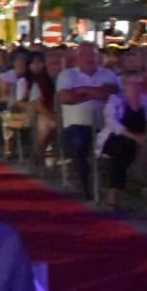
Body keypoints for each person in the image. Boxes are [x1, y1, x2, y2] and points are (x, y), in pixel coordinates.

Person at [54, 42, 119, 198]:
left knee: (120, 147)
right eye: (84, 54)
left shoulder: (108, 74)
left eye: (92, 54)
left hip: (106, 125)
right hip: (76, 124)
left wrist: (82, 91)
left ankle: (113, 189)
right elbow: (66, 97)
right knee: (79, 143)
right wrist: (96, 92)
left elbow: (110, 94)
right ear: (78, 57)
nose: (89, 58)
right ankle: (86, 187)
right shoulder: (67, 75)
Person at [97, 71, 147, 206]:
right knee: (122, 148)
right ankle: (115, 192)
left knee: (126, 149)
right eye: (132, 84)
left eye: (139, 84)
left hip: (141, 142)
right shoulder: (115, 101)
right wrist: (133, 136)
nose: (136, 87)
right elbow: (112, 122)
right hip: (117, 138)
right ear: (125, 85)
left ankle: (116, 191)